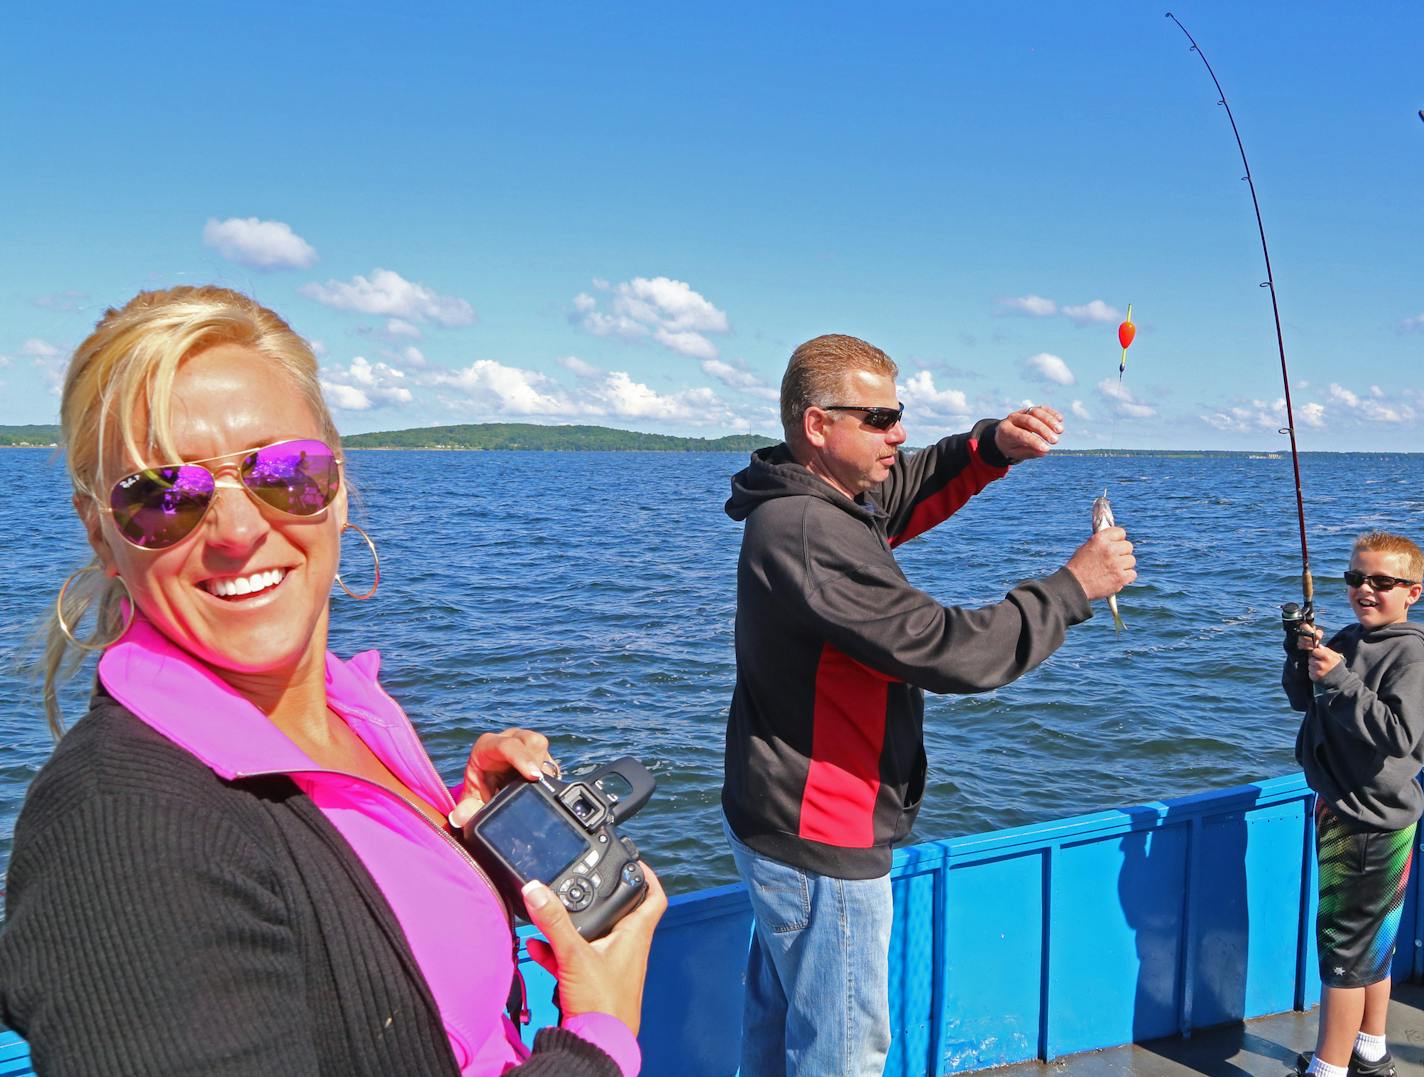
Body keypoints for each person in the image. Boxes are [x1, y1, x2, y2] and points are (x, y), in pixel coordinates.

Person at [0, 286, 666, 1076]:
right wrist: (597, 1039)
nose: (240, 531)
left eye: (283, 471)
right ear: (102, 533)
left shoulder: (347, 708)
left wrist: (454, 840)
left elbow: (344, 923)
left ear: (339, 487)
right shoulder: (123, 834)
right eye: (164, 496)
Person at [720, 333, 1136, 1075]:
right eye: (879, 419)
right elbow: (948, 649)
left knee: (779, 1028)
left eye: (899, 413)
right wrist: (1073, 588)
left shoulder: (814, 496)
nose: (898, 432)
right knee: (842, 1051)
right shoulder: (812, 533)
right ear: (818, 426)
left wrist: (989, 447)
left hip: (775, 818)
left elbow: (901, 489)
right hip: (823, 836)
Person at [1284, 532, 1424, 1077]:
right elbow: (1303, 699)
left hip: (1366, 820)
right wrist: (1300, 653)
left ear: (1413, 591)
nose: (1365, 589)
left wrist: (1339, 678)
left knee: (1344, 958)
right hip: (1352, 809)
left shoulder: (1410, 652)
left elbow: (1401, 734)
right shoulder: (1347, 638)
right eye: (1355, 579)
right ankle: (1371, 1050)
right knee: (1376, 943)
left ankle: (1328, 1069)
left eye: (1382, 582)